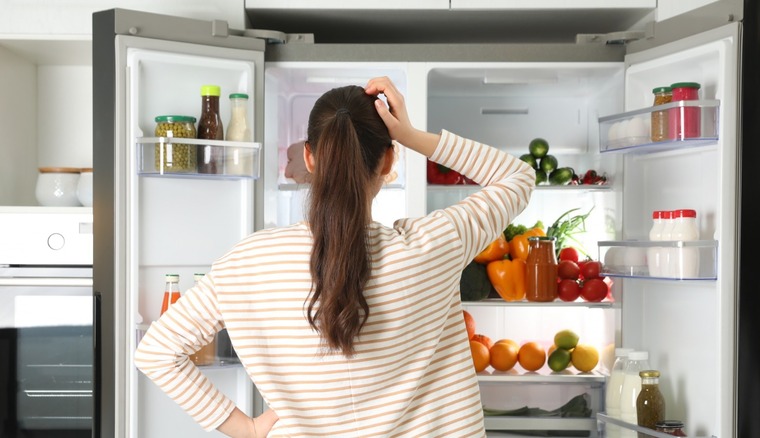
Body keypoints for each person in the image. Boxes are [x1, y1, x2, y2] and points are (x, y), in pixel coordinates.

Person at [135, 76, 535, 437]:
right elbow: (518, 177)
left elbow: (157, 352)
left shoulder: (248, 262)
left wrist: (248, 429)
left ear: (309, 158)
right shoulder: (434, 246)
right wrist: (410, 135)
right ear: (389, 160)